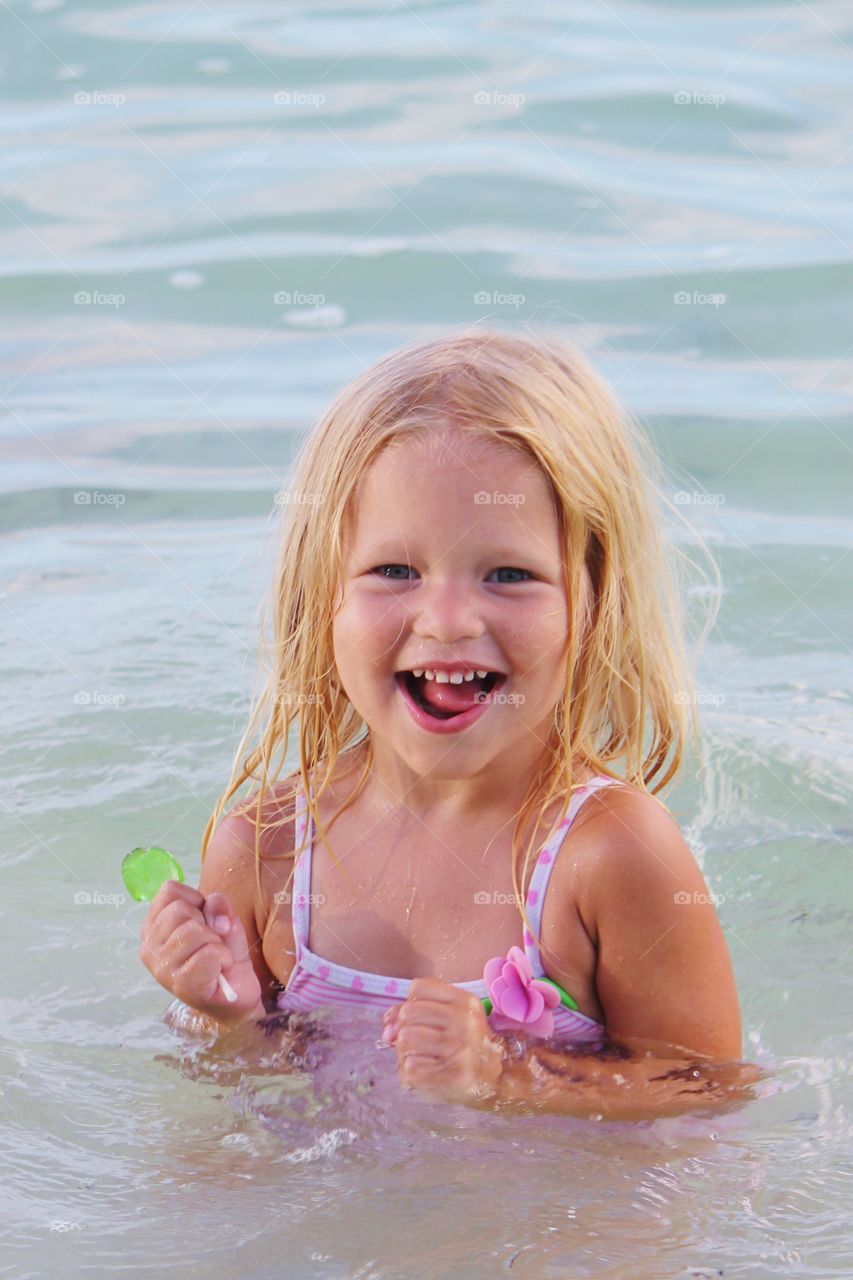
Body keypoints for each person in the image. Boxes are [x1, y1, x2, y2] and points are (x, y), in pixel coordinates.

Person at [140, 328, 762, 1120]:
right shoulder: (265, 850)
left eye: (508, 574)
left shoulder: (610, 853)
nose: (445, 620)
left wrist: (510, 1077)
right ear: (320, 597)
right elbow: (251, 1086)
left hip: (548, 1237)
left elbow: (713, 1092)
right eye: (394, 571)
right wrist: (223, 1016)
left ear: (594, 601)